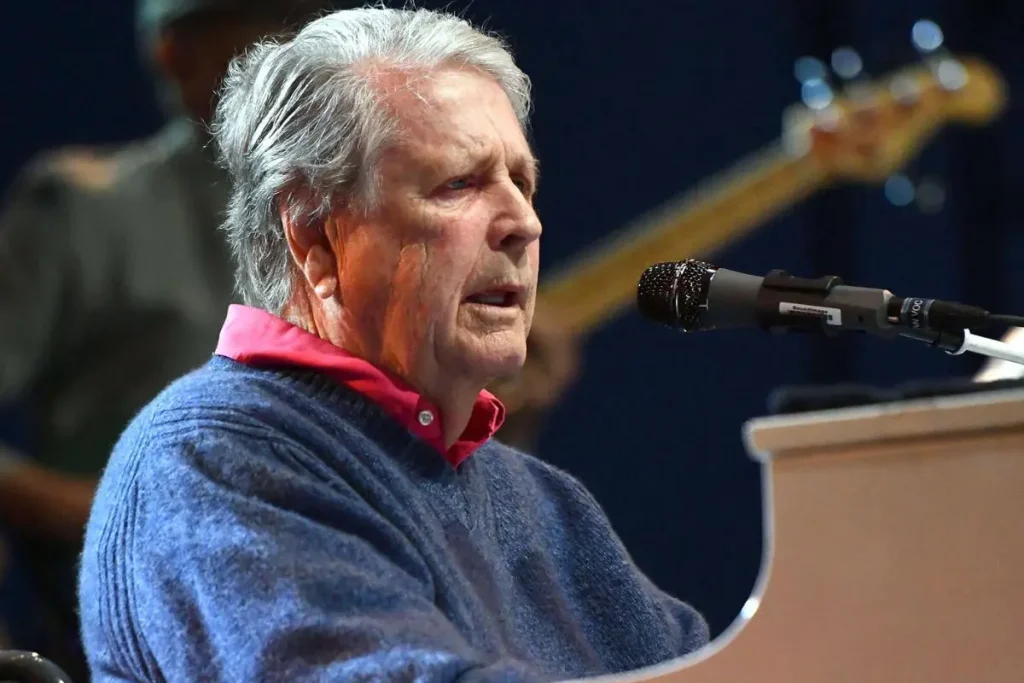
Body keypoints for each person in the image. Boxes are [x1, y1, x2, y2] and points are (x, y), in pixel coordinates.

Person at [78, 6, 709, 682]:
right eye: (458, 185)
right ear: (315, 239)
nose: (523, 223)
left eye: (522, 183)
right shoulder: (210, 455)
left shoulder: (549, 504)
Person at [0, 0, 577, 675]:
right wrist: (96, 506)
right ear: (173, 51)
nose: (291, 44)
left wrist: (489, 412)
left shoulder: (551, 507)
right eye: (258, 24)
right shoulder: (87, 210)